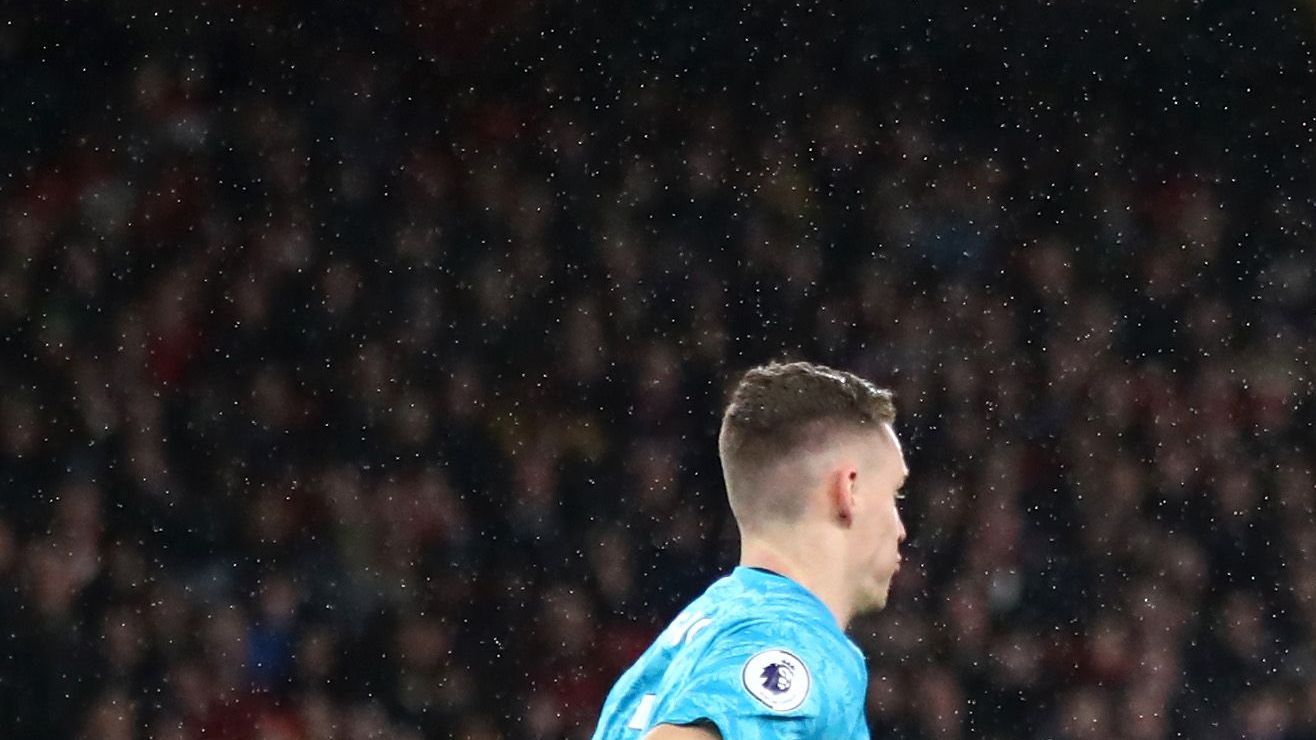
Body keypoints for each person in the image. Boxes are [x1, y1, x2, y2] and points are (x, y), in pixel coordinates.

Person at [592, 361, 908, 739]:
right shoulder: (793, 640)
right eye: (895, 494)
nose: (901, 530)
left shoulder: (680, 645)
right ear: (849, 491)